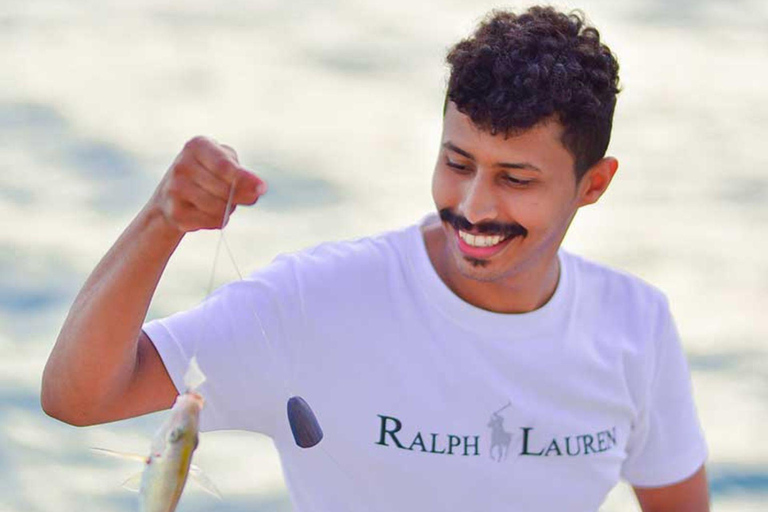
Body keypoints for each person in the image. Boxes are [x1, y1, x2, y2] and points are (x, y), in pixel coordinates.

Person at [41, 6, 710, 511]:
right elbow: (79, 396)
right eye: (457, 162)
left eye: (516, 179)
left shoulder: (635, 325)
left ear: (593, 184)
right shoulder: (316, 302)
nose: (473, 206)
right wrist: (164, 220)